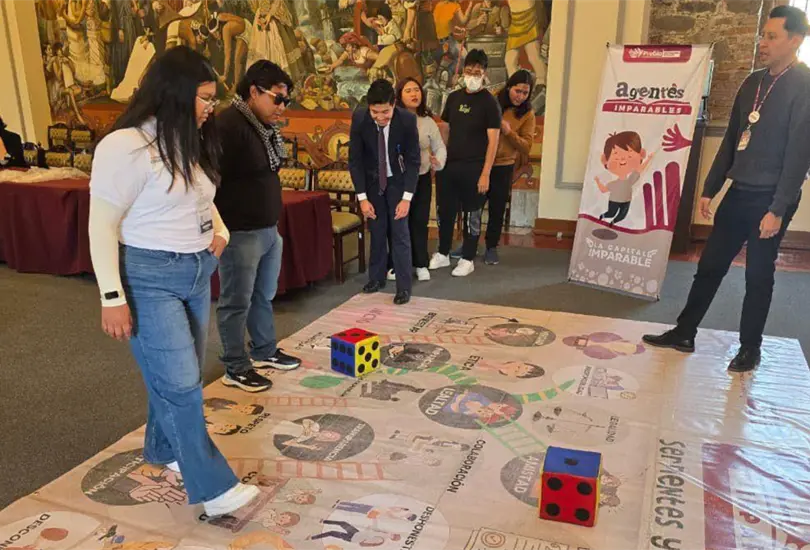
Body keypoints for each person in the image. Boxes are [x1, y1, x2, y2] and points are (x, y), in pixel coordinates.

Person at [87, 47, 259, 515]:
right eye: (204, 98)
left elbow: (200, 196)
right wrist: (111, 296)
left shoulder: (189, 137)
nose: (211, 108)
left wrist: (219, 232)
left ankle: (164, 450)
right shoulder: (124, 147)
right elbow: (101, 225)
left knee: (173, 372)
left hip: (196, 271)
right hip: (147, 276)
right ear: (176, 95)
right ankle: (213, 487)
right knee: (182, 381)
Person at [643, 6, 810, 373]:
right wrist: (710, 186)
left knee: (758, 275)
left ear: (795, 41)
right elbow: (734, 138)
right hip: (739, 191)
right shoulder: (752, 83)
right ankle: (685, 331)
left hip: (771, 199)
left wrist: (778, 209)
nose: (762, 43)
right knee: (710, 265)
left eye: (771, 36)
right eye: (762, 35)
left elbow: (800, 154)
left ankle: (750, 348)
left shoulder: (804, 85)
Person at [215, 60, 302, 394]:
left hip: (267, 228)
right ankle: (235, 366)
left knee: (262, 296)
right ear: (254, 91)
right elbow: (210, 180)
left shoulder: (262, 125)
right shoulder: (229, 124)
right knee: (236, 301)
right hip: (240, 231)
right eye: (276, 99)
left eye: (286, 101)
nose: (281, 107)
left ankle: (264, 350)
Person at [429, 49, 501, 277]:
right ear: (463, 71)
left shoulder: (490, 103)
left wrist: (486, 173)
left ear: (484, 73)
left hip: (475, 167)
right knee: (445, 211)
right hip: (450, 166)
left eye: (477, 72)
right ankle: (442, 253)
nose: (472, 75)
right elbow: (446, 130)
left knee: (472, 214)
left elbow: (493, 142)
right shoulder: (454, 97)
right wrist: (438, 158)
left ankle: (468, 258)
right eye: (469, 71)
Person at [349, 79, 421, 305]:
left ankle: (403, 287)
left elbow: (413, 161)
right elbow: (355, 161)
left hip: (398, 183)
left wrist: (407, 198)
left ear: (394, 104)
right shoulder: (360, 118)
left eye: (386, 112)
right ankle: (376, 278)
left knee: (400, 233)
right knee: (377, 230)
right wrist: (361, 198)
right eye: (375, 112)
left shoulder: (407, 120)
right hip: (372, 184)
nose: (380, 118)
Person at [386, 77, 447, 282]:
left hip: (420, 179)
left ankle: (420, 263)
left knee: (419, 221)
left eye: (417, 90)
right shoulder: (392, 118)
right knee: (398, 222)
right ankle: (395, 264)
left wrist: (437, 160)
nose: (414, 94)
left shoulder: (428, 122)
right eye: (408, 90)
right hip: (397, 180)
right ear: (399, 96)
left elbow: (439, 146)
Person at [484, 69, 536, 265]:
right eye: (517, 91)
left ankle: (491, 247)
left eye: (525, 93)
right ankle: (468, 245)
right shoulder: (492, 103)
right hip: (481, 163)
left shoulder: (527, 113)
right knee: (473, 206)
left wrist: (508, 131)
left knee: (497, 208)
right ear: (509, 87)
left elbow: (526, 145)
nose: (520, 96)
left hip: (504, 166)